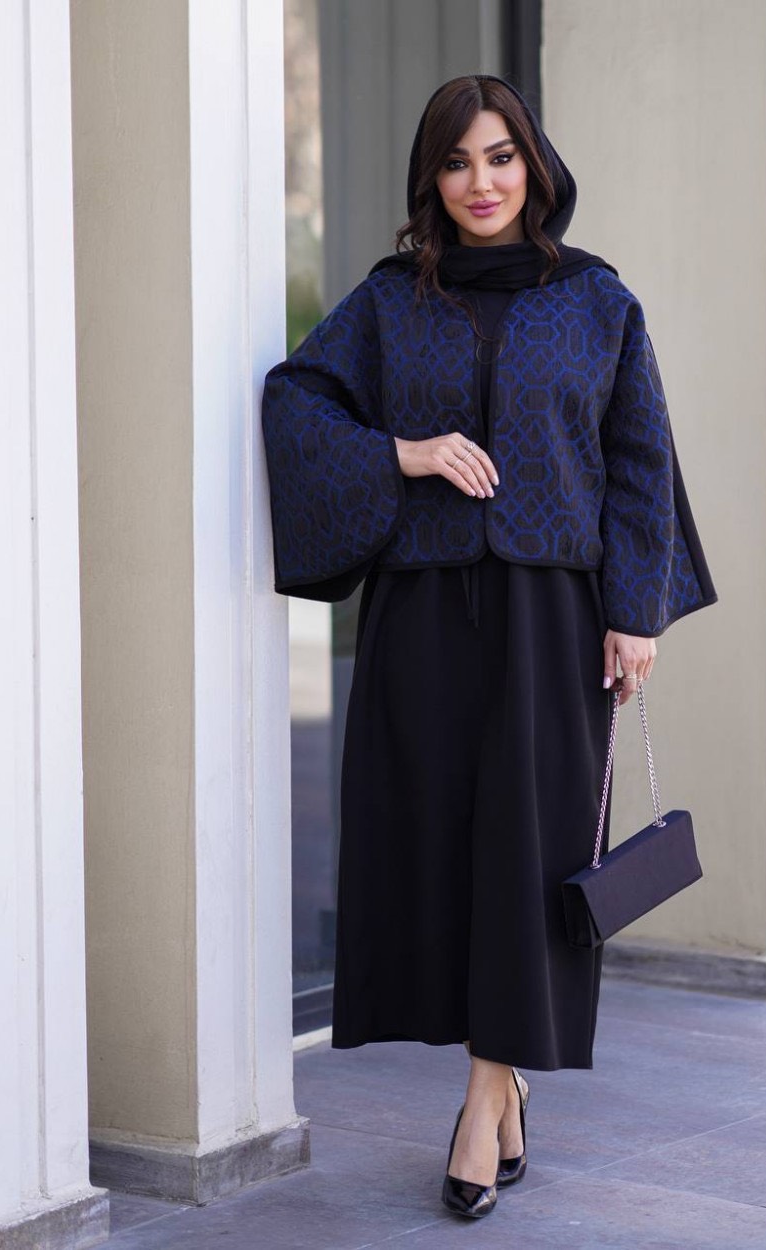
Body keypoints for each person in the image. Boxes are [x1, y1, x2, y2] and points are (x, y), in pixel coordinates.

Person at [260, 73, 718, 1221]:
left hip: (553, 623)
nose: (481, 182)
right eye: (458, 161)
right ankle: (505, 1087)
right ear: (433, 177)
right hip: (421, 617)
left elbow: (641, 459)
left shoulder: (597, 300)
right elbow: (296, 401)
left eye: (501, 156)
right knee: (437, 853)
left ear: (534, 165)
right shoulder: (390, 300)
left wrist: (635, 610)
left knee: (532, 857)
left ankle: (480, 1099)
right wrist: (404, 452)